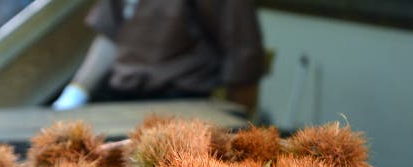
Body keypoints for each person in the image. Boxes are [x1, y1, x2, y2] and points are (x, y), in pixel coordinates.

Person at [52, 0, 265, 114]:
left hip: (181, 104)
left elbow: (242, 48)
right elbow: (110, 34)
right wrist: (77, 91)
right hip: (120, 100)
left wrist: (242, 123)